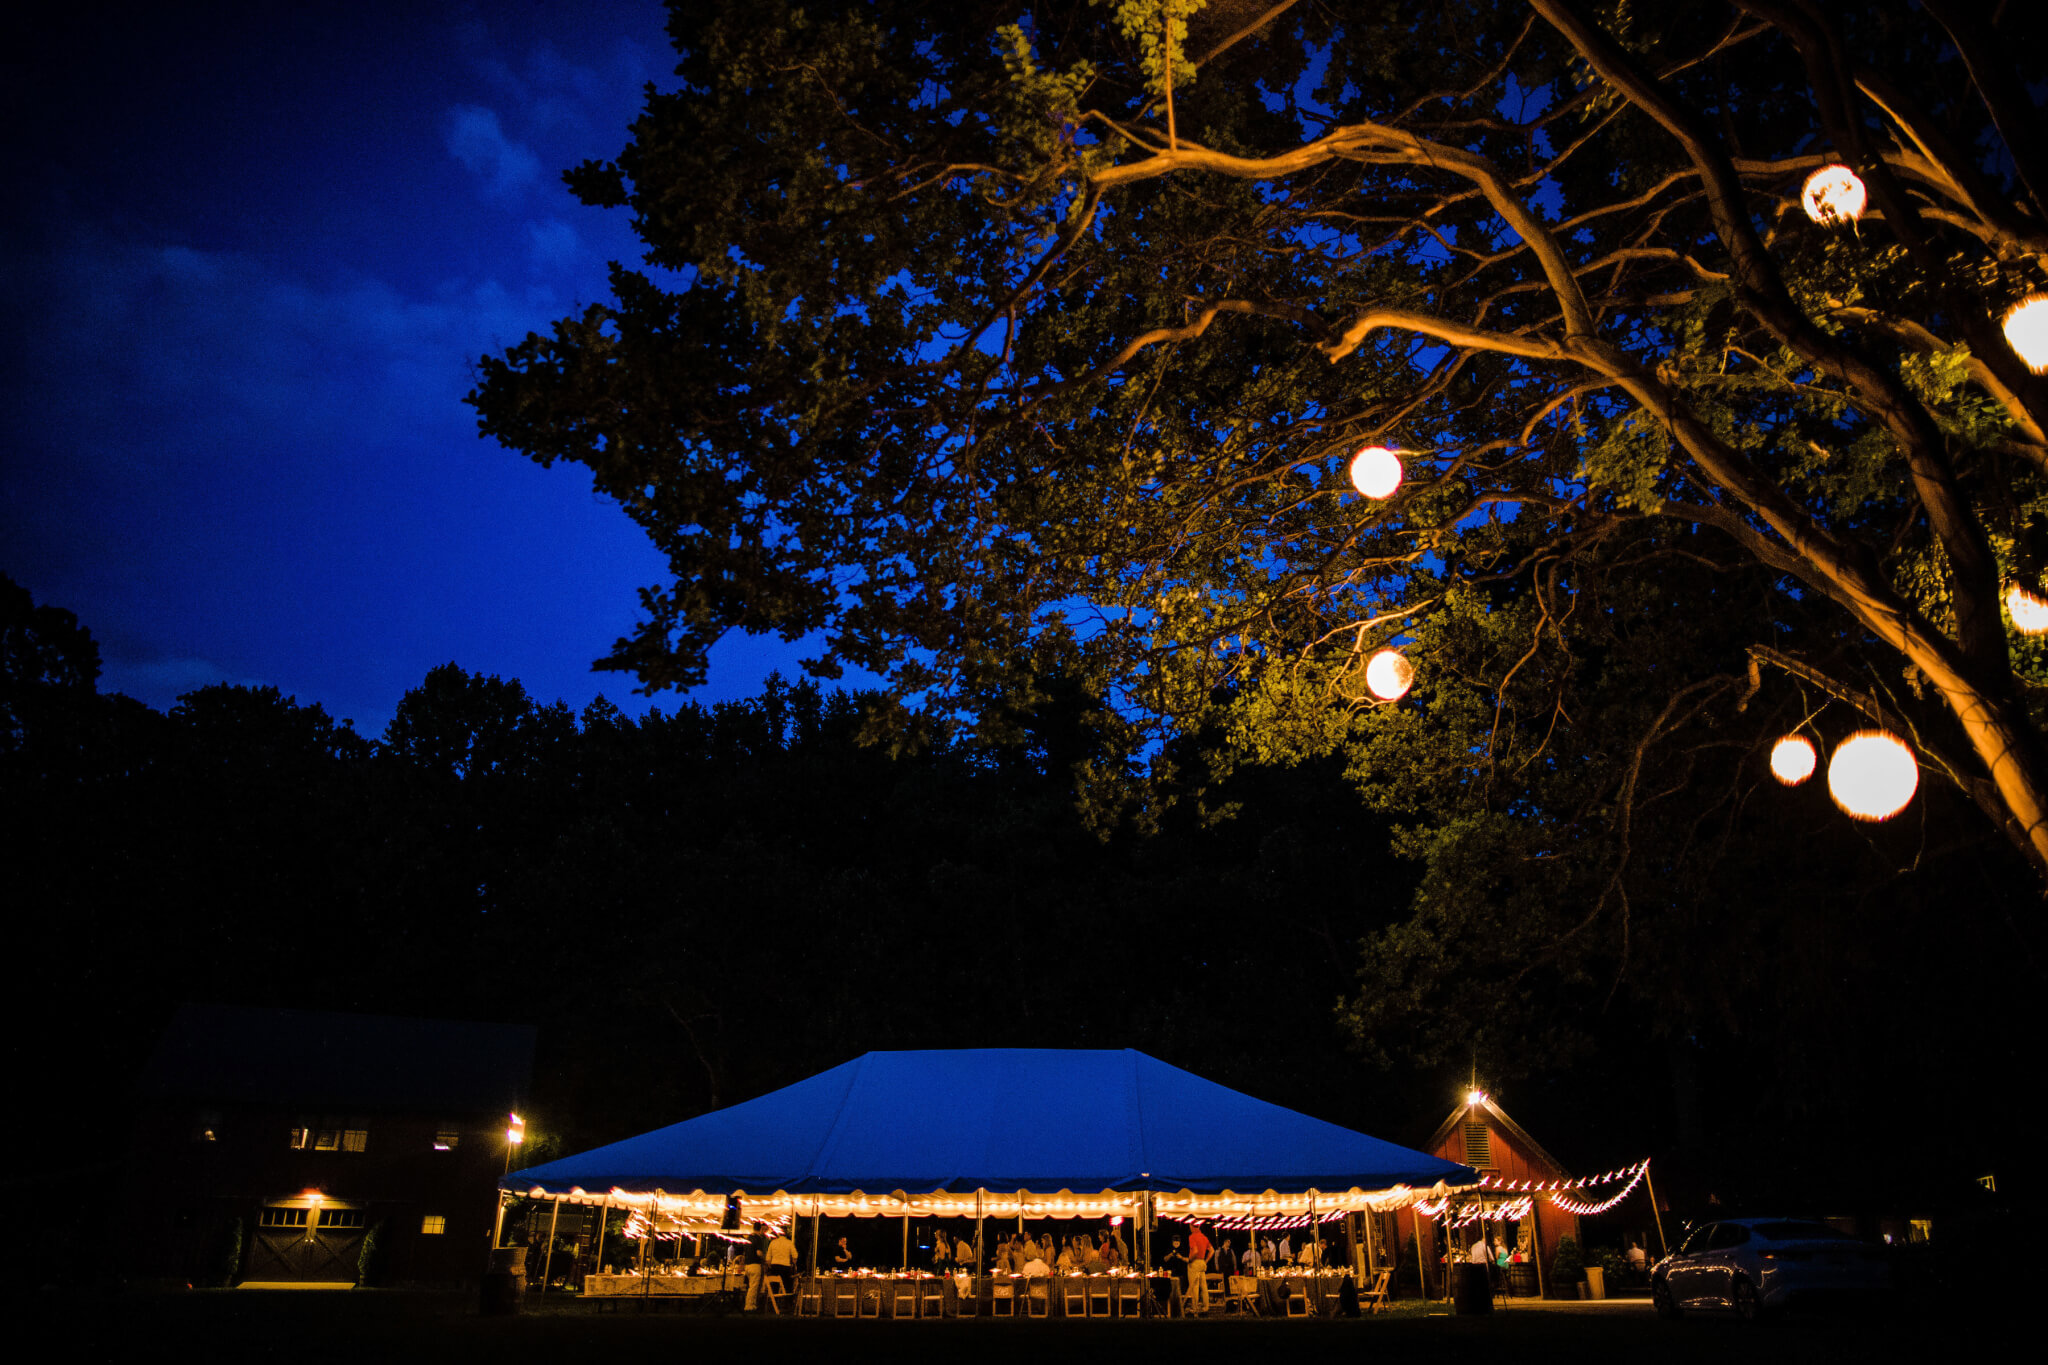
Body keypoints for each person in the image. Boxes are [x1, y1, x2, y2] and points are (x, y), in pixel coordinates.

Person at [765, 1224, 798, 1296]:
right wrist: (793, 1264)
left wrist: (770, 1266)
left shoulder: (773, 1243)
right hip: (785, 1267)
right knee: (787, 1286)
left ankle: (775, 1301)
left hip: (774, 1266)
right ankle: (787, 1302)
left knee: (775, 1287)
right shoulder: (789, 1243)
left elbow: (768, 1258)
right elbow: (795, 1256)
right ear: (786, 1233)